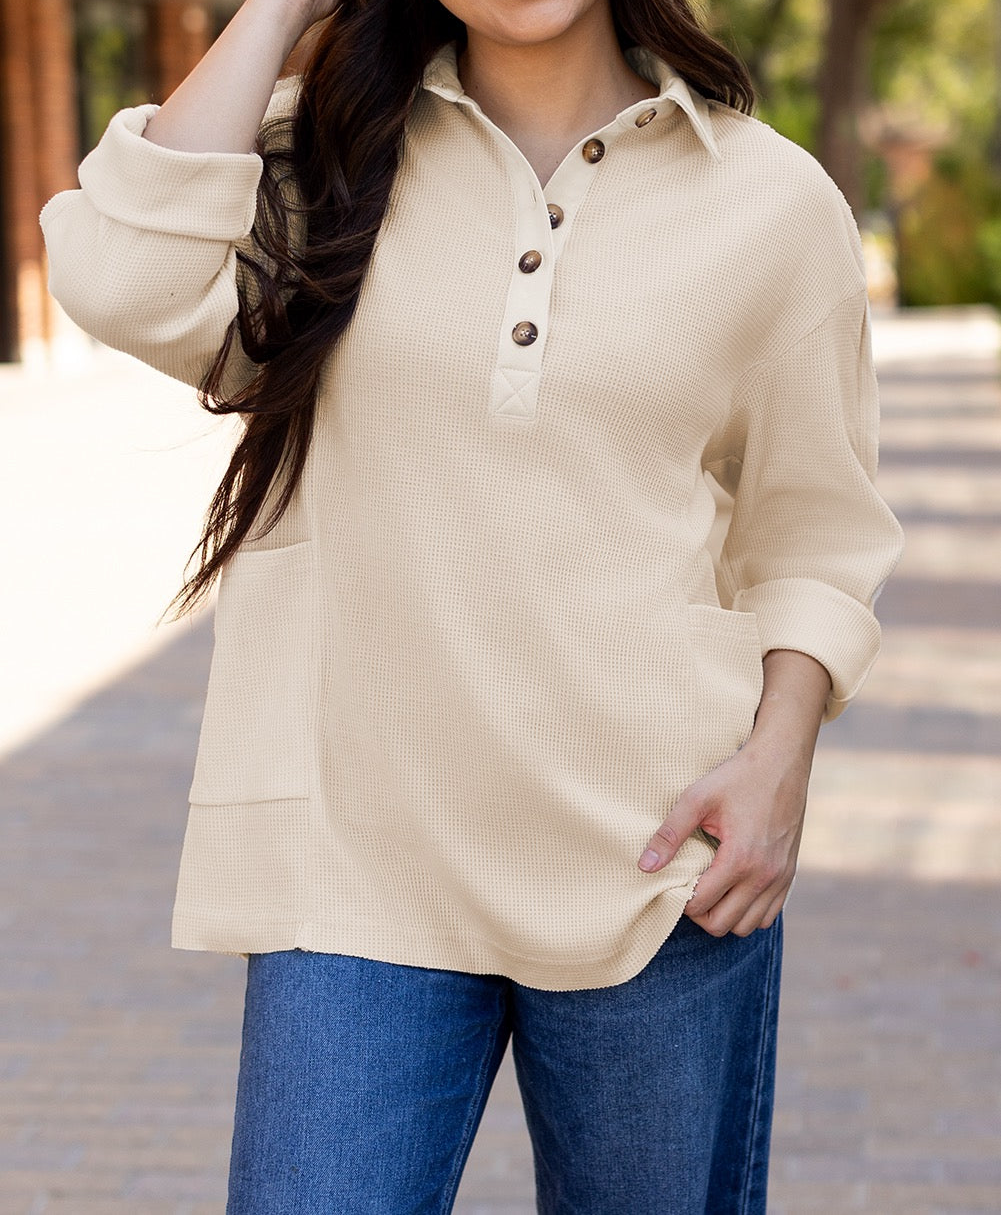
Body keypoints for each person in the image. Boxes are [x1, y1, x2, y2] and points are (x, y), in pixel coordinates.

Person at [40, 1, 904, 1212]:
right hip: (349, 867)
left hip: (655, 862)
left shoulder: (769, 201)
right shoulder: (320, 158)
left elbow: (814, 529)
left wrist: (778, 764)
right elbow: (119, 277)